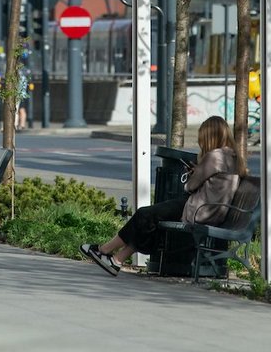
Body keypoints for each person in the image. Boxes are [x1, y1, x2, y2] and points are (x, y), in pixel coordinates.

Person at [80, 115, 245, 276]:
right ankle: (116, 260)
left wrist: (193, 174)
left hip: (199, 209)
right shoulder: (232, 157)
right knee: (150, 220)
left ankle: (103, 250)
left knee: (145, 214)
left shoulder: (214, 157)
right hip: (213, 210)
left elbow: (189, 186)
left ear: (210, 137)